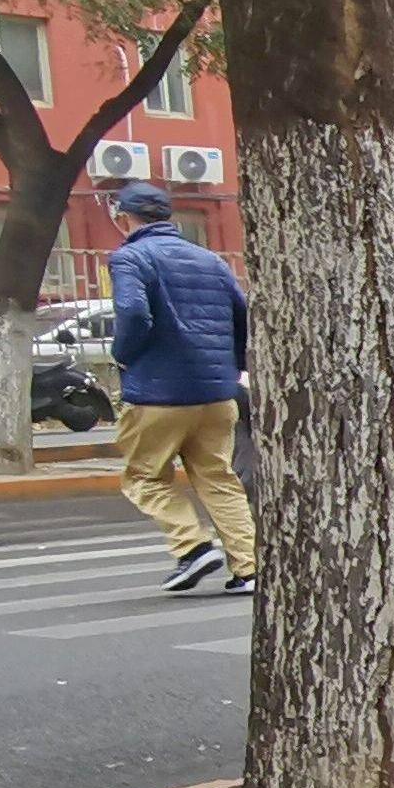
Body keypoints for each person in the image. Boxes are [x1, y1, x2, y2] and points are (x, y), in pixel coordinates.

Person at [103, 184, 254, 594]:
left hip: (157, 393)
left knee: (144, 476)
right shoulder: (211, 260)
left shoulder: (129, 257)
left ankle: (193, 546)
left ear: (124, 217)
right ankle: (248, 568)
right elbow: (242, 317)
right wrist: (231, 367)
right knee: (218, 477)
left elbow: (133, 311)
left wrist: (124, 354)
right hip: (215, 391)